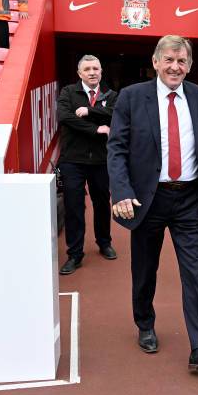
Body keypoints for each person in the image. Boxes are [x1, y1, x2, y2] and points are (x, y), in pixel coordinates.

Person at [107, 35, 198, 372]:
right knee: (145, 270)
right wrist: (121, 190)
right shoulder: (132, 97)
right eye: (169, 60)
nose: (176, 67)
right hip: (148, 199)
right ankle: (144, 323)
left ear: (189, 66)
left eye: (182, 61)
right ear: (156, 62)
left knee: (193, 273)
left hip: (189, 199)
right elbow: (116, 148)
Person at [57, 55, 118, 275]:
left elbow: (116, 115)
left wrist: (90, 112)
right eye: (87, 69)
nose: (92, 72)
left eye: (96, 68)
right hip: (73, 160)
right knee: (74, 206)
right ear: (79, 73)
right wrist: (96, 129)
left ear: (101, 71)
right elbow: (65, 118)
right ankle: (75, 254)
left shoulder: (111, 95)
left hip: (101, 160)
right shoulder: (68, 93)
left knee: (102, 202)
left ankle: (104, 242)